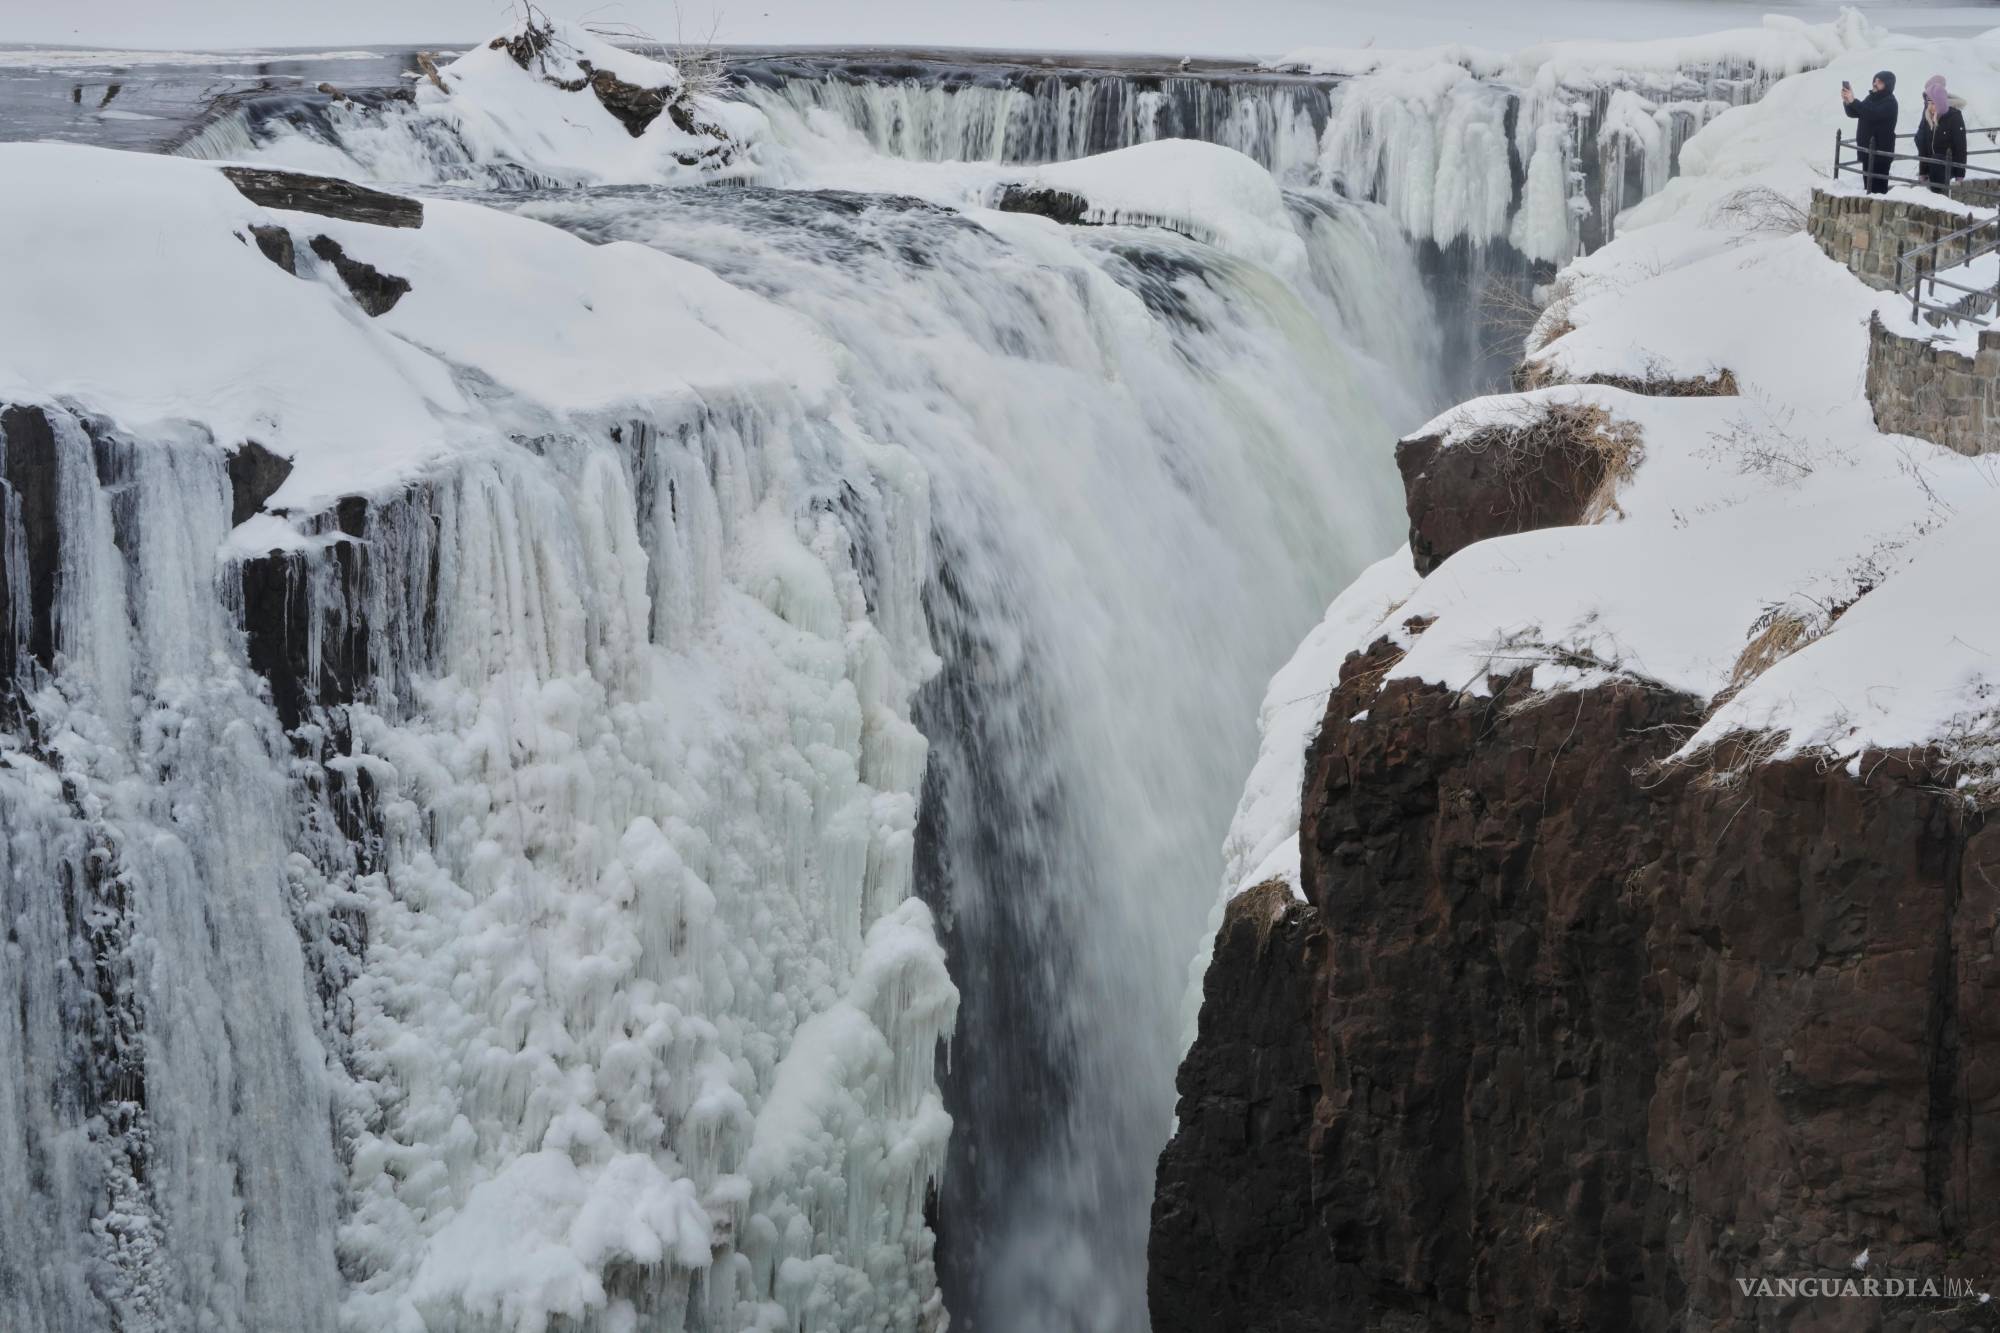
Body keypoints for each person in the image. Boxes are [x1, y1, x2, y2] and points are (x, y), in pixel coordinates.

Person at [1843, 71, 1900, 194]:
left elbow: (1872, 113)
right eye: (1875, 80)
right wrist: (1848, 102)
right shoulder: (1871, 98)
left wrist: (1854, 101)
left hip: (1880, 153)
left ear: (1888, 85)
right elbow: (1855, 112)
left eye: (1879, 82)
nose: (1875, 83)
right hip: (1867, 150)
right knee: (1868, 189)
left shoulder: (1890, 102)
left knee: (1878, 191)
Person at [1914, 74, 1969, 194]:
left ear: (1940, 102)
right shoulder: (1929, 117)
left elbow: (1960, 147)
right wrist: (1923, 171)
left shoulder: (1954, 117)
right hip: (1931, 168)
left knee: (1940, 201)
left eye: (1934, 103)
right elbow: (1925, 147)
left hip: (1946, 168)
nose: (1931, 107)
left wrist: (1960, 175)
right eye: (1929, 102)